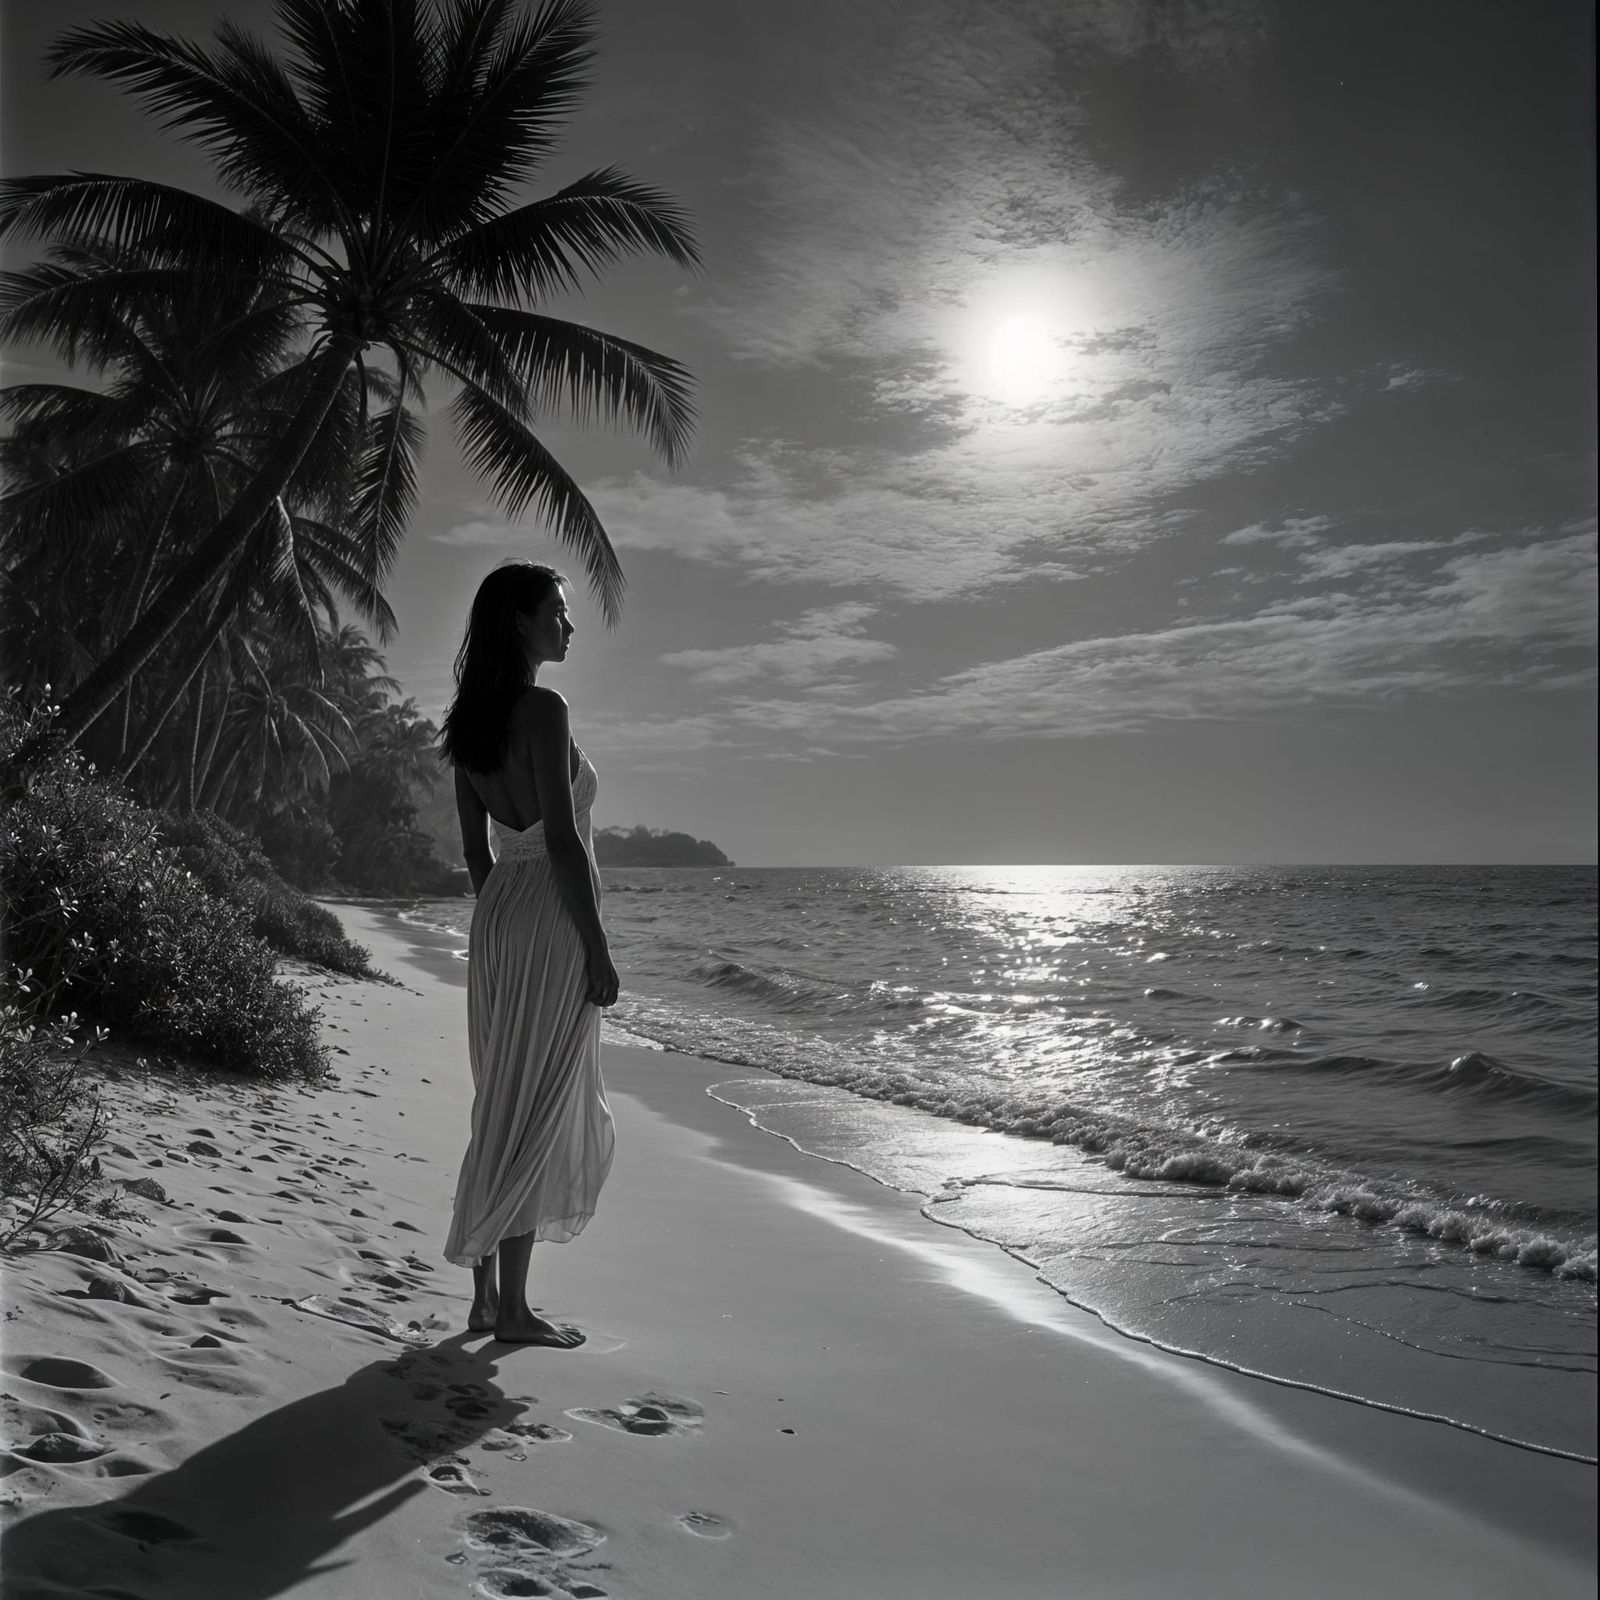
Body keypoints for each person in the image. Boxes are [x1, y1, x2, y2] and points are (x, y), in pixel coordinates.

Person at [438, 561, 620, 1346]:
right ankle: (511, 1311)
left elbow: (478, 850)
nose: (568, 625)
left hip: (499, 917)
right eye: (557, 611)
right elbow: (561, 839)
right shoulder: (544, 708)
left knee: (501, 1097)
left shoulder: (468, 725)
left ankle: (487, 1298)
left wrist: (502, 911)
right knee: (536, 1101)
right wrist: (597, 947)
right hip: (547, 912)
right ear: (521, 621)